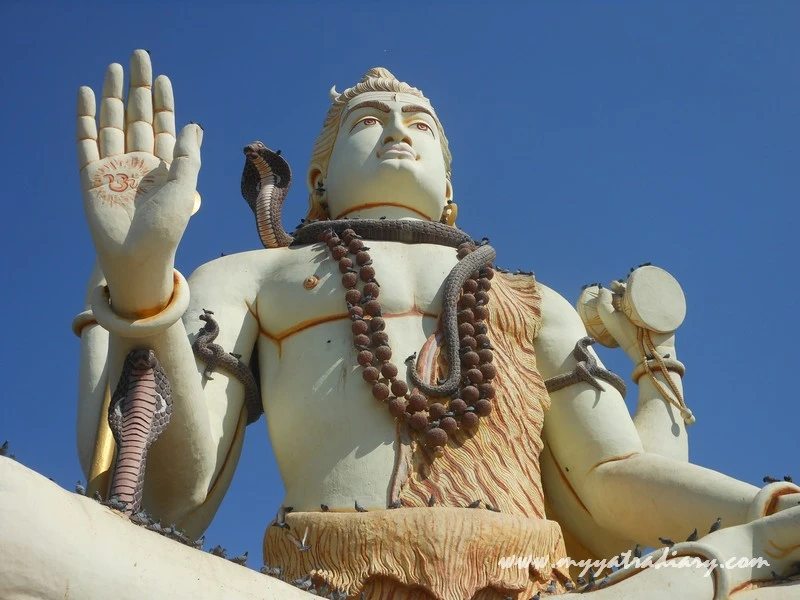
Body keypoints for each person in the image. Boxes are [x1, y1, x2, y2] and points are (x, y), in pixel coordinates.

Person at [1, 49, 798, 600]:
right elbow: (172, 503)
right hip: (319, 582)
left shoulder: (533, 300)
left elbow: (612, 481)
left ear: (449, 185)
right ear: (317, 179)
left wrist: (764, 512)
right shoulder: (252, 278)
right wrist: (144, 293)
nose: (396, 128)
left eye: (419, 122)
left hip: (537, 584)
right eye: (367, 119)